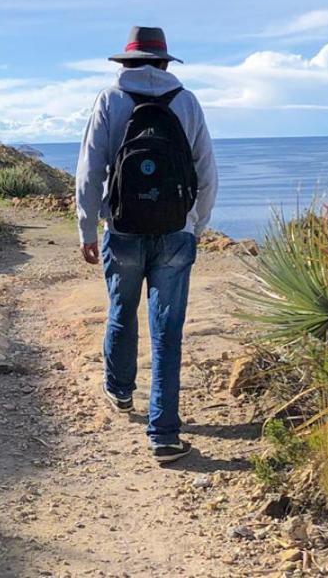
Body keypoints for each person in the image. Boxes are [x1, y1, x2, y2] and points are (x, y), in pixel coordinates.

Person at [76, 26, 218, 464]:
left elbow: (90, 170)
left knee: (122, 310)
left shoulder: (110, 100)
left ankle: (120, 391)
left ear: (127, 62)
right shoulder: (187, 102)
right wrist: (195, 225)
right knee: (167, 331)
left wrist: (87, 228)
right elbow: (207, 172)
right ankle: (165, 435)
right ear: (164, 62)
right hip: (176, 231)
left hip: (122, 229)